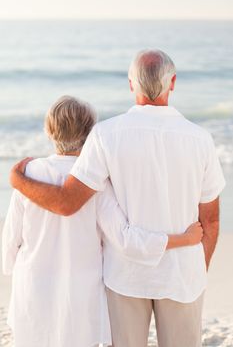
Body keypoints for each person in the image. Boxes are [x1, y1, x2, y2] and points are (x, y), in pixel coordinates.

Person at [9, 50, 225, 347]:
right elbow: (210, 220)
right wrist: (196, 269)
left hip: (126, 276)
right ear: (172, 83)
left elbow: (67, 202)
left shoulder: (105, 135)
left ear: (130, 84)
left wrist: (18, 180)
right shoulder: (200, 139)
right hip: (181, 273)